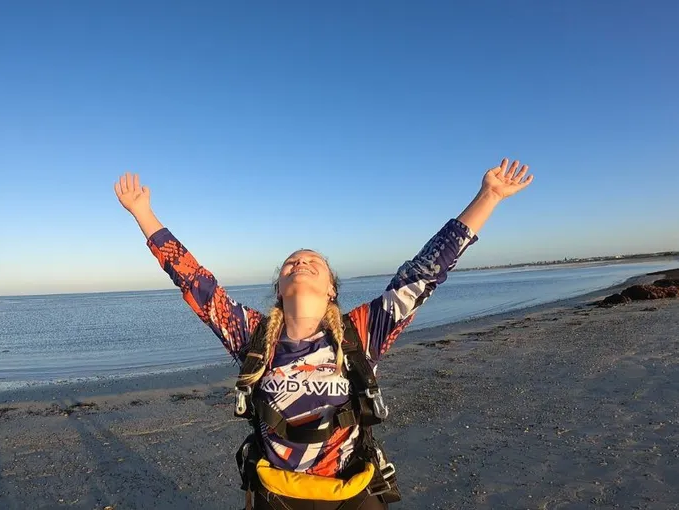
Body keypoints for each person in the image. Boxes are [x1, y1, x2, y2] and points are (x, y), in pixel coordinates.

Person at [113, 159, 534, 509]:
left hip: (351, 491)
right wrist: (143, 214)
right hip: (277, 493)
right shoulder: (253, 335)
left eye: (313, 262)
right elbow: (194, 281)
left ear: (332, 287)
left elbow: (426, 271)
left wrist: (488, 196)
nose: (300, 263)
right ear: (279, 288)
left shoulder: (361, 332)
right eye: (291, 263)